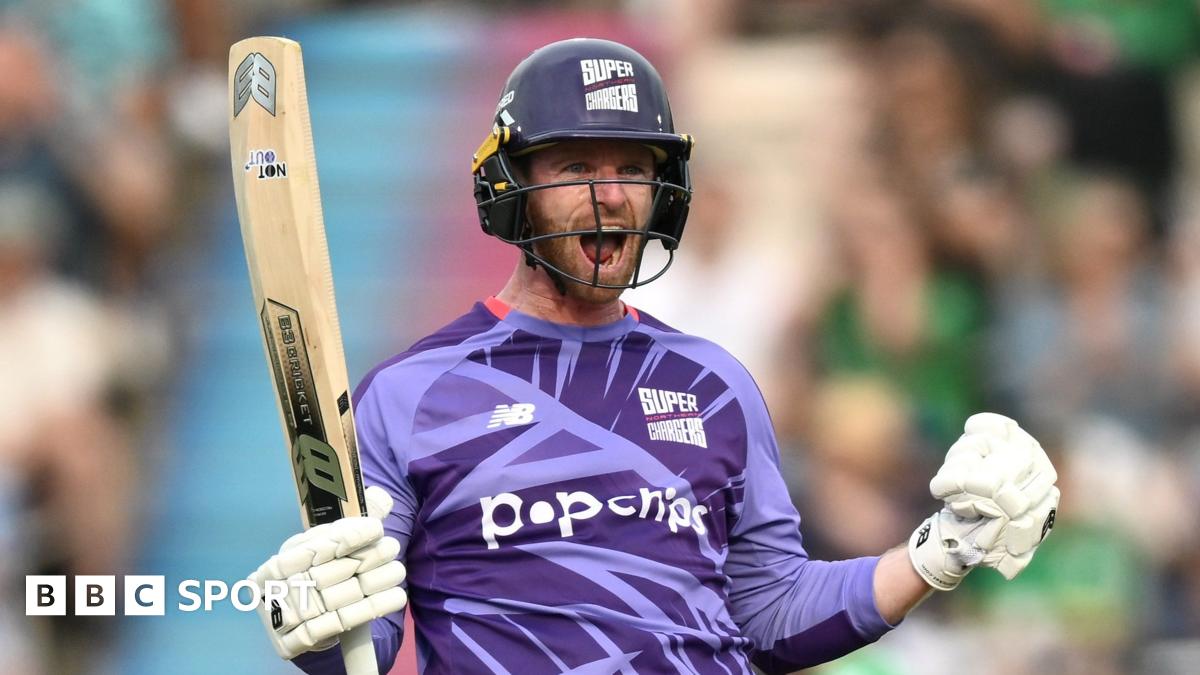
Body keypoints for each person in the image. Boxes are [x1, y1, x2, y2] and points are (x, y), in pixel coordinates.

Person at [249, 38, 1060, 674]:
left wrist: (939, 550)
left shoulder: (715, 384)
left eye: (633, 168)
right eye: (576, 166)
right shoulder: (410, 395)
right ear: (510, 185)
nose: (610, 194)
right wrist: (310, 613)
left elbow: (770, 612)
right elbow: (364, 642)